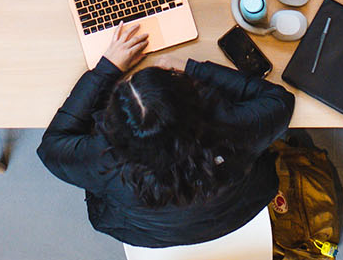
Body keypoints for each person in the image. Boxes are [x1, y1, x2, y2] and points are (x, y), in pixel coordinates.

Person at [38, 23, 294, 248]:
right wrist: (193, 68)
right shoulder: (230, 128)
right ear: (194, 99)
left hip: (147, 233)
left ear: (115, 126)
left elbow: (51, 146)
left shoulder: (103, 159)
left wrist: (108, 69)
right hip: (236, 212)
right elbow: (280, 101)